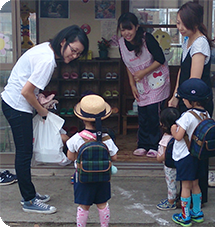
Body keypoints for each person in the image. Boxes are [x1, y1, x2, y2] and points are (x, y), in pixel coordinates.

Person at [1, 25, 89, 214]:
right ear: (64, 42)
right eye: (73, 50)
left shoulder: (46, 48)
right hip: (17, 106)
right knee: (24, 154)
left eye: (78, 54)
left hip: (14, 102)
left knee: (25, 152)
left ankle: (30, 194)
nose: (74, 56)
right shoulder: (48, 61)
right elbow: (26, 92)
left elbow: (29, 86)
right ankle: (29, 200)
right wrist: (44, 112)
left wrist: (40, 99)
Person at [168, 1, 214, 204]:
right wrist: (175, 95)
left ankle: (198, 196)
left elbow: (194, 80)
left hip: (196, 104)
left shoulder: (200, 43)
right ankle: (187, 191)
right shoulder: (188, 40)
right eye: (177, 22)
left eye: (181, 23)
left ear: (193, 22)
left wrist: (184, 100)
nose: (178, 27)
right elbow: (182, 71)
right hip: (187, 101)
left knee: (197, 150)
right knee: (187, 149)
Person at [117, 12, 170, 158]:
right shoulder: (121, 44)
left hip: (156, 80)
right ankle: (143, 145)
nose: (126, 33)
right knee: (142, 114)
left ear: (137, 27)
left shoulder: (147, 39)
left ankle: (154, 145)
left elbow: (160, 58)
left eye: (129, 29)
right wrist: (132, 84)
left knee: (153, 113)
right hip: (140, 83)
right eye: (123, 29)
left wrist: (143, 73)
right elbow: (128, 65)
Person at [67, 94, 118, 227]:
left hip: (83, 177)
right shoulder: (106, 138)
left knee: (83, 206)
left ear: (82, 119)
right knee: (102, 204)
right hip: (103, 177)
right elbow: (114, 157)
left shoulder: (76, 138)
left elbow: (70, 157)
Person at [171, 78, 213, 227]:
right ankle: (197, 212)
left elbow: (178, 135)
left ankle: (185, 216)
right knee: (196, 184)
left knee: (185, 186)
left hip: (185, 157)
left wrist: (172, 128)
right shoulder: (206, 114)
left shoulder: (188, 116)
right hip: (198, 155)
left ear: (190, 100)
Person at [156, 107, 180, 211]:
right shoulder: (180, 135)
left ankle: (171, 201)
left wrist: (159, 157)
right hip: (181, 162)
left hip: (169, 165)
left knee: (171, 183)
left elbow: (162, 156)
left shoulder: (166, 139)